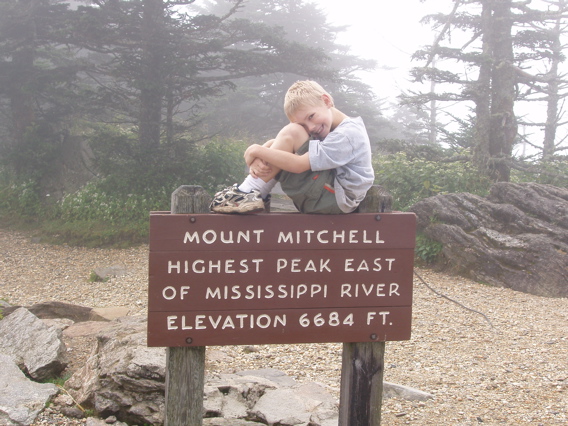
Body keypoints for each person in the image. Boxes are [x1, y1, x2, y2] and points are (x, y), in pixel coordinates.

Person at [210, 80, 374, 214]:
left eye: (311, 116)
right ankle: (255, 193)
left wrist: (255, 150)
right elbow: (289, 148)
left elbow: (299, 164)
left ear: (326, 101)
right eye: (303, 123)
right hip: (330, 196)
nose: (310, 127)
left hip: (336, 198)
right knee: (291, 136)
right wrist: (267, 148)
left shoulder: (347, 134)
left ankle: (247, 192)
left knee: (293, 132)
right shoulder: (332, 128)